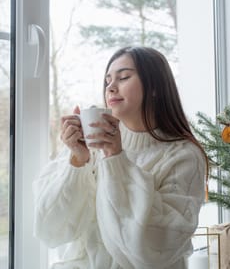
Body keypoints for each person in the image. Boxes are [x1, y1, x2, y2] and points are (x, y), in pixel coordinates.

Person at [33, 46, 208, 269]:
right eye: (108, 81)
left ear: (155, 87)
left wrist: (115, 158)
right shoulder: (91, 145)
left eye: (123, 77)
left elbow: (151, 247)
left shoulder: (183, 156)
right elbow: (49, 229)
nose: (111, 87)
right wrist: (77, 161)